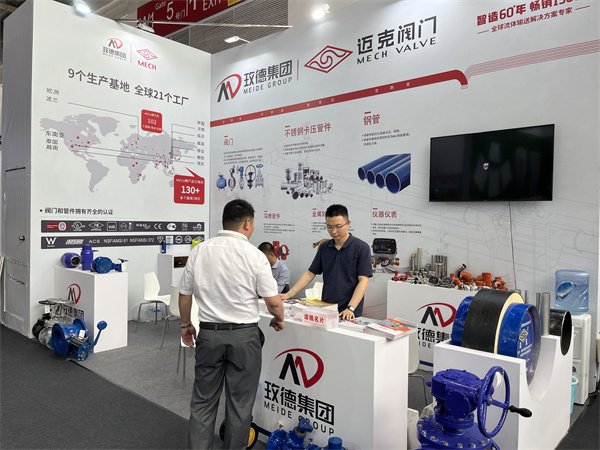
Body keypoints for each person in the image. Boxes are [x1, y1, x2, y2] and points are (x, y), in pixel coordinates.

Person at [178, 199, 285, 450]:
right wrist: (278, 318)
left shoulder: (200, 250)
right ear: (247, 223)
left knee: (203, 402)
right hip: (244, 338)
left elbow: (184, 294)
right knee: (240, 405)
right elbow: (273, 302)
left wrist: (185, 325)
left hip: (208, 335)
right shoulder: (255, 255)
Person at [282, 204, 372, 320]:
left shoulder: (361, 248)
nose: (334, 231)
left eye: (338, 227)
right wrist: (288, 294)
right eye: (329, 227)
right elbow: (310, 273)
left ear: (348, 223)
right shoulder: (324, 247)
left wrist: (351, 308)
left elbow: (363, 281)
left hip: (349, 311)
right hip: (327, 307)